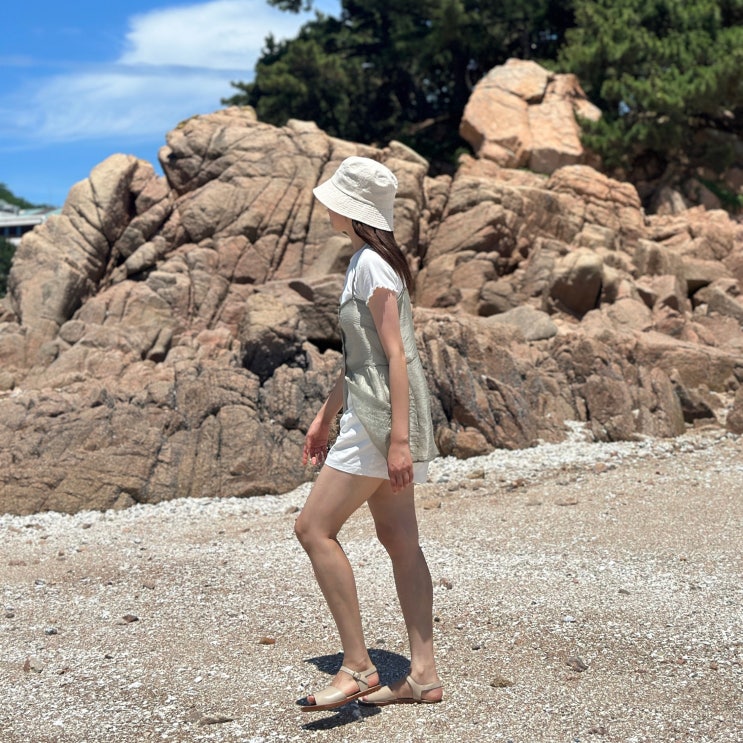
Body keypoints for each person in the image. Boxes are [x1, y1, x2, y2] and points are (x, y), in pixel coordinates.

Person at [294, 156, 443, 712]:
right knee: (401, 542)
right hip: (384, 413)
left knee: (313, 528)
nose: (326, 207)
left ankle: (357, 666)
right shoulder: (374, 261)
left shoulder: (370, 267)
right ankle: (422, 677)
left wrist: (398, 440)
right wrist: (324, 417)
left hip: (380, 420)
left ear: (354, 210)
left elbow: (396, 356)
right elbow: (363, 360)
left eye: (335, 199)